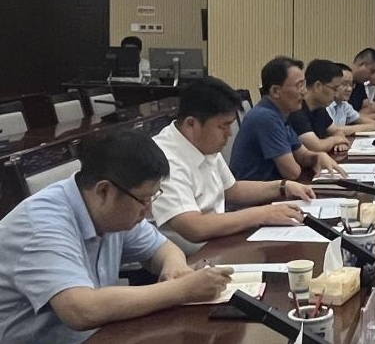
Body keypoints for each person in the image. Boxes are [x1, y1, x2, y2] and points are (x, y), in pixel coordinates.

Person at [0, 127, 233, 344]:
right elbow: (81, 310)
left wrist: (175, 269)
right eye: (143, 200)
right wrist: (182, 290)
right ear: (104, 190)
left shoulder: (109, 208)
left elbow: (162, 248)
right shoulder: (41, 225)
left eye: (153, 197)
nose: (149, 210)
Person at [151, 76, 318, 253]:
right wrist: (262, 214)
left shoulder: (202, 142)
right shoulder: (165, 159)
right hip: (191, 256)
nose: (229, 133)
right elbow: (195, 227)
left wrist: (282, 187)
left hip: (219, 243)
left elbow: (232, 190)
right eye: (223, 126)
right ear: (192, 124)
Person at [229, 55, 347, 181]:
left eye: (304, 85)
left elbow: (302, 155)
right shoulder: (265, 117)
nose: (304, 92)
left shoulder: (280, 114)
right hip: (257, 191)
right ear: (275, 91)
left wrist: (318, 157)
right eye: (299, 86)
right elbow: (292, 172)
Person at [287, 59, 352, 154]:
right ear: (318, 86)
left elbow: (336, 131)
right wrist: (336, 140)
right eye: (334, 89)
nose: (336, 94)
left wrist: (340, 140)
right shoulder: (296, 110)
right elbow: (316, 147)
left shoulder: (319, 108)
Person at [327, 62, 375, 136]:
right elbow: (334, 130)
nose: (349, 89)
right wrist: (370, 127)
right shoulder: (325, 105)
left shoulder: (344, 104)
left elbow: (359, 118)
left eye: (351, 84)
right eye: (344, 84)